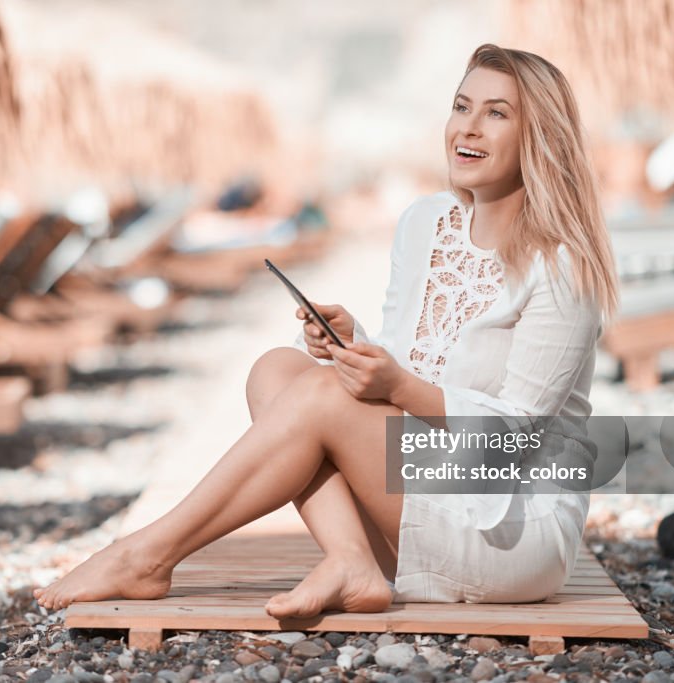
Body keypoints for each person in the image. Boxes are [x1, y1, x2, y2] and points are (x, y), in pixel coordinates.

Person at [33, 43, 620, 616]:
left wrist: (395, 387)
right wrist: (353, 345)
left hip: (511, 530)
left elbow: (517, 435)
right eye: (462, 106)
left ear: (539, 137)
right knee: (278, 369)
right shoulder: (425, 224)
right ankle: (351, 560)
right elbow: (410, 360)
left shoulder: (563, 268)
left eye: (497, 113)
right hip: (422, 479)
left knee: (317, 395)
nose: (468, 128)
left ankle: (147, 554)